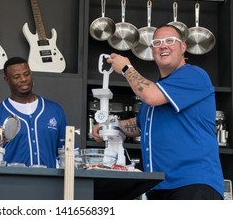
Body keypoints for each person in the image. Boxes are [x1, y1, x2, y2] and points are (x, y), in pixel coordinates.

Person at [93, 25, 224, 200]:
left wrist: (126, 68)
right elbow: (140, 125)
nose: (163, 46)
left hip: (193, 184)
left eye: (170, 41)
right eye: (157, 42)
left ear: (183, 47)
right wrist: (109, 127)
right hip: (159, 187)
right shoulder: (159, 91)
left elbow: (150, 96)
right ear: (152, 50)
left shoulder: (193, 75)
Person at [0, 56, 68, 168]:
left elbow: (67, 152)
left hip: (50, 182)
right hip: (11, 182)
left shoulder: (55, 110)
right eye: (16, 76)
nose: (23, 79)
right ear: (7, 80)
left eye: (27, 74)